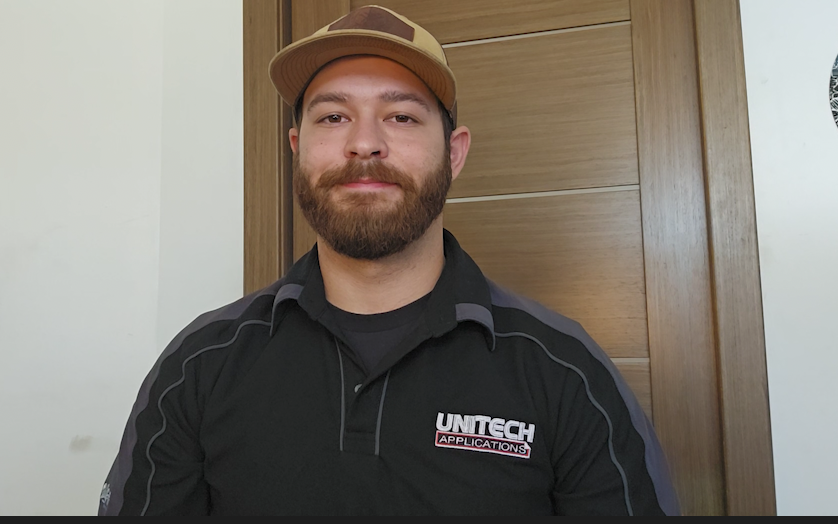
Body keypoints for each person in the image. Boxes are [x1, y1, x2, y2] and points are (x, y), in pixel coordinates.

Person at [98, 6, 680, 516]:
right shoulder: (198, 366)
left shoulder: (566, 371)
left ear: (454, 154)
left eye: (401, 116)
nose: (364, 142)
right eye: (333, 117)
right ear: (298, 149)